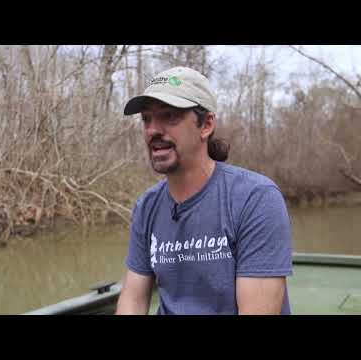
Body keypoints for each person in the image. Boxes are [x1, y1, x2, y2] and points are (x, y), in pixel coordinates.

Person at [115, 66, 292, 315]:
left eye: (169, 116)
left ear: (206, 125)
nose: (153, 130)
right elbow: (132, 300)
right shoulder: (147, 206)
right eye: (146, 119)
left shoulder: (256, 199)